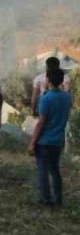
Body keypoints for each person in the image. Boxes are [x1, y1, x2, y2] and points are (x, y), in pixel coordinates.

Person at [29, 69, 71, 207]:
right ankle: (58, 200)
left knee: (43, 170)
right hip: (58, 141)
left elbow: (41, 123)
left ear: (48, 80)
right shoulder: (67, 97)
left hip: (44, 141)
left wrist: (32, 143)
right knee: (55, 170)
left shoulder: (45, 99)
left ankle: (46, 200)